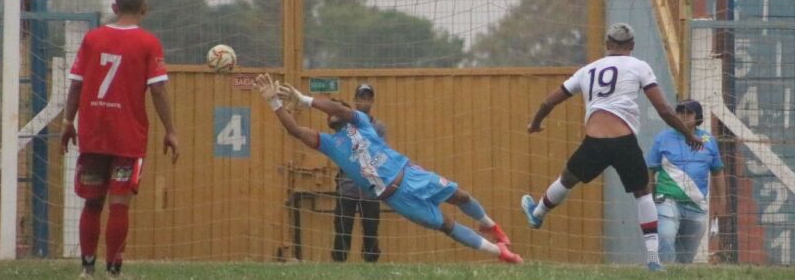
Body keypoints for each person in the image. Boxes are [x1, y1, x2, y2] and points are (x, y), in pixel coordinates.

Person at [254, 73, 523, 264]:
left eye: (338, 108)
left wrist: (305, 100)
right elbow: (294, 130)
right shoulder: (329, 143)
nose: (334, 111)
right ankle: (500, 253)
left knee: (461, 196)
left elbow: (341, 109)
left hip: (412, 175)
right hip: (396, 197)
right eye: (331, 111)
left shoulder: (361, 123)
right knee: (447, 225)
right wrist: (273, 103)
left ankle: (492, 226)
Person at [520, 22, 702, 272]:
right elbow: (664, 110)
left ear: (607, 45)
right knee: (643, 194)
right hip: (623, 141)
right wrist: (688, 135)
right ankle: (652, 258)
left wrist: (535, 123)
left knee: (566, 179)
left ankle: (538, 213)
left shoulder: (588, 70)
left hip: (594, 142)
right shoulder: (639, 66)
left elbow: (549, 100)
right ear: (632, 46)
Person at [60, 0, 179, 278]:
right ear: (144, 9)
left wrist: (67, 122)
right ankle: (114, 271)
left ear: (114, 8)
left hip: (93, 134)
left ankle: (87, 270)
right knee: (119, 203)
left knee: (92, 200)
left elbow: (76, 83)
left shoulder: (92, 39)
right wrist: (171, 130)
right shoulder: (149, 43)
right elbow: (159, 91)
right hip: (128, 137)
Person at [647, 99, 727, 264]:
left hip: (697, 205)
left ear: (698, 117)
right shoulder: (663, 138)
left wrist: (722, 202)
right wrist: (649, 198)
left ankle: (679, 273)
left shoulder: (709, 140)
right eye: (679, 112)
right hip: (667, 199)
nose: (683, 116)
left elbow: (718, 172)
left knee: (686, 256)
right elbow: (650, 169)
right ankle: (666, 273)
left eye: (688, 112)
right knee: (666, 235)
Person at [332, 84, 386, 262]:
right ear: (355, 100)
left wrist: (372, 166)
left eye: (368, 98)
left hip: (370, 188)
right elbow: (332, 122)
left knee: (371, 230)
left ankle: (371, 265)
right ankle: (339, 264)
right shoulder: (344, 124)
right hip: (346, 186)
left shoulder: (379, 127)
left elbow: (382, 154)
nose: (364, 101)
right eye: (361, 97)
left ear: (372, 101)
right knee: (342, 229)